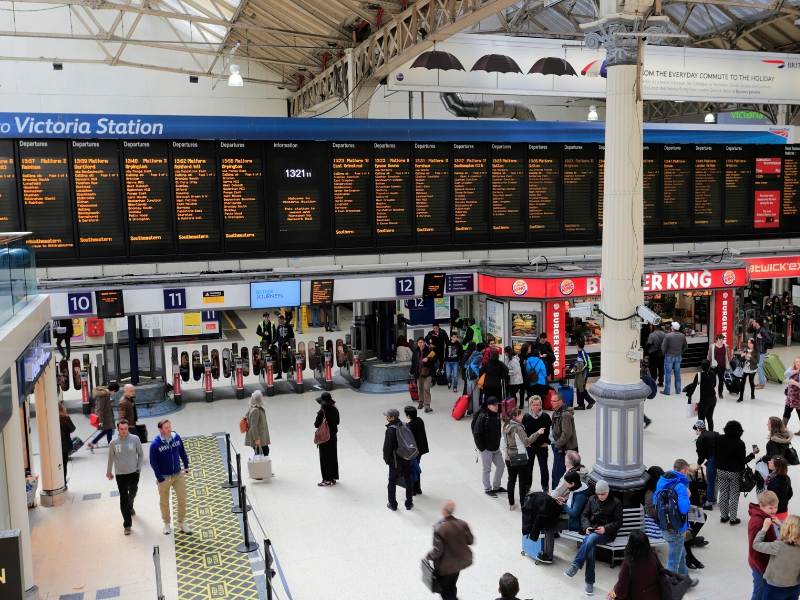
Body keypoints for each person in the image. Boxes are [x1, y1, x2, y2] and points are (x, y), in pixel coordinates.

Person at [563, 480, 623, 596]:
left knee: (590, 539)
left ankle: (576, 566)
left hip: (607, 534)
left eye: (603, 494)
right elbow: (584, 515)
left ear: (608, 492)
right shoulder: (592, 499)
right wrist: (586, 527)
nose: (600, 496)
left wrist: (605, 528)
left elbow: (618, 522)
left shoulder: (616, 503)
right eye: (598, 494)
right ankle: (589, 582)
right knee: (590, 543)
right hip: (592, 530)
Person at [149, 419, 191, 535]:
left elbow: (182, 451)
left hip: (178, 474)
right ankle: (166, 523)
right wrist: (159, 477)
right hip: (164, 477)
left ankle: (181, 522)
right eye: (166, 428)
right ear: (160, 429)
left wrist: (186, 465)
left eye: (169, 427)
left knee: (182, 499)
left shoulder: (176, 437)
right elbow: (153, 462)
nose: (169, 429)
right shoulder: (155, 444)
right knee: (164, 502)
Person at [426, 500, 474, 600]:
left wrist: (428, 556)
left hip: (445, 566)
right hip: (460, 563)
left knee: (444, 590)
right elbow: (470, 541)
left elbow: (437, 551)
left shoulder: (439, 528)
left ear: (444, 511)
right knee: (452, 584)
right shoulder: (463, 524)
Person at [654, 459, 693, 579]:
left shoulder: (662, 481)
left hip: (664, 525)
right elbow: (684, 509)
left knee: (681, 554)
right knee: (673, 561)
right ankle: (669, 586)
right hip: (677, 528)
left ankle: (685, 578)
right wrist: (688, 496)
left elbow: (655, 500)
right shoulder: (681, 486)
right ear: (685, 470)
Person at [716, 419, 758, 525]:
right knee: (734, 494)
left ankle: (724, 516)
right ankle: (733, 519)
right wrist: (753, 454)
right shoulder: (740, 443)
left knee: (723, 493)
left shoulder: (719, 439)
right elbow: (742, 461)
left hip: (720, 470)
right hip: (734, 472)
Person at [106, 419, 144, 535]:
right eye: (121, 429)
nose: (124, 431)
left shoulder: (135, 439)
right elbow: (111, 458)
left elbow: (141, 454)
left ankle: (131, 505)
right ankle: (127, 524)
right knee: (123, 498)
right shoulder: (113, 443)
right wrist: (109, 472)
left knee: (132, 493)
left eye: (126, 429)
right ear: (118, 429)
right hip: (120, 475)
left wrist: (138, 468)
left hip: (134, 473)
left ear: (128, 428)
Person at [752, 514, 800, 599]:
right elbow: (793, 535)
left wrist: (764, 529)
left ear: (786, 529)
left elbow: (756, 545)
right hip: (795, 587)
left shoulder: (778, 546)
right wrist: (780, 524)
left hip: (775, 587)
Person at [607, 530, 661, 600]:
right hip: (654, 595)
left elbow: (621, 592)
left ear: (630, 545)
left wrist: (613, 592)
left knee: (612, 595)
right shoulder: (653, 556)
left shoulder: (629, 563)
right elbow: (661, 573)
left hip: (637, 597)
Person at [502, 408, 537, 510]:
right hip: (520, 457)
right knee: (522, 481)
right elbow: (527, 441)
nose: (522, 417)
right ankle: (523, 504)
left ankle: (511, 504)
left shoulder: (506, 426)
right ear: (515, 417)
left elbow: (503, 443)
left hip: (509, 457)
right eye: (520, 415)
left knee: (511, 480)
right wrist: (537, 433)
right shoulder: (518, 428)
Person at [748, 491, 780, 600]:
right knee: (759, 591)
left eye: (776, 507)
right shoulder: (757, 521)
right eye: (771, 508)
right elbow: (754, 547)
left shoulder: (766, 517)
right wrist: (762, 569)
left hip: (766, 563)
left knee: (765, 590)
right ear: (761, 506)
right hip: (759, 565)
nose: (774, 510)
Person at [472, 397, 505, 497]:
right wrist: (482, 448)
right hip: (486, 449)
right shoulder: (483, 417)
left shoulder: (497, 415)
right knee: (487, 469)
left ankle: (496, 487)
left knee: (501, 466)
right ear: (488, 406)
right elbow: (477, 434)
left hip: (495, 447)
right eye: (494, 405)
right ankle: (487, 489)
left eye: (497, 404)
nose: (496, 406)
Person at [383, 409, 414, 511]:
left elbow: (387, 448)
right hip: (407, 458)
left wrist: (387, 460)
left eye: (387, 416)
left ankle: (393, 504)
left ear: (392, 417)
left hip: (396, 461)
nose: (386, 417)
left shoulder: (391, 430)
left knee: (392, 482)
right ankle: (409, 503)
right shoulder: (405, 425)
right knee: (408, 479)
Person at [522, 395, 551, 493]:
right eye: (533, 405)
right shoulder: (526, 417)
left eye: (538, 405)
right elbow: (523, 432)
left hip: (542, 447)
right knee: (528, 468)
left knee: (543, 468)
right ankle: (527, 486)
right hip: (530, 447)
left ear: (541, 405)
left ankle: (545, 487)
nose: (536, 407)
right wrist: (526, 443)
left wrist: (547, 442)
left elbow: (550, 431)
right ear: (530, 406)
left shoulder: (545, 416)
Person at [551, 393, 578, 491]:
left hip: (565, 450)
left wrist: (556, 445)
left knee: (558, 475)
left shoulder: (565, 415)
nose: (551, 403)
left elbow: (566, 434)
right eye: (551, 401)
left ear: (561, 402)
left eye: (554, 401)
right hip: (560, 448)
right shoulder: (556, 413)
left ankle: (555, 497)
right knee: (557, 474)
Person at [314, 392, 339, 486]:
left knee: (324, 459)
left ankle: (326, 479)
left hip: (324, 438)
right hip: (333, 437)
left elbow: (316, 424)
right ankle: (333, 478)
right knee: (333, 457)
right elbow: (338, 422)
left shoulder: (322, 412)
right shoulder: (335, 410)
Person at [694, 420, 719, 510]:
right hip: (721, 459)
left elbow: (701, 454)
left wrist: (699, 463)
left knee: (710, 482)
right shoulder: (715, 433)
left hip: (712, 459)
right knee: (716, 481)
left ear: (698, 429)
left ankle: (709, 502)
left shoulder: (700, 439)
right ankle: (714, 499)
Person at [405, 405, 428, 495]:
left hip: (414, 451)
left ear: (408, 416)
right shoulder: (420, 420)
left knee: (412, 469)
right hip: (421, 449)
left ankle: (413, 489)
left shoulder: (410, 425)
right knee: (416, 467)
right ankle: (417, 488)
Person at [410, 337, 436, 413]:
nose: (420, 344)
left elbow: (434, 358)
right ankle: (421, 402)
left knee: (426, 389)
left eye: (422, 342)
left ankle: (427, 406)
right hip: (418, 373)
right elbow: (413, 363)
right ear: (417, 344)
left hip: (428, 373)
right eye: (419, 342)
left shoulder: (429, 350)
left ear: (424, 343)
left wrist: (428, 359)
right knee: (420, 389)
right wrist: (411, 372)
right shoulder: (415, 351)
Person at [661, 321, 687, 396]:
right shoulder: (682, 336)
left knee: (668, 374)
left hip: (669, 356)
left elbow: (663, 348)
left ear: (672, 328)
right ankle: (678, 390)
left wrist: (665, 353)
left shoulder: (668, 336)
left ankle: (667, 390)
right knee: (677, 373)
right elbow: (685, 347)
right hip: (678, 356)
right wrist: (680, 352)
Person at [87, 386, 114, 451]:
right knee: (108, 430)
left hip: (106, 416)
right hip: (105, 417)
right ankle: (94, 442)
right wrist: (101, 421)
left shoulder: (104, 395)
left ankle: (94, 442)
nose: (114, 393)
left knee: (107, 430)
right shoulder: (103, 396)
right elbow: (100, 409)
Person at [244, 390, 270, 457]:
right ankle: (260, 467)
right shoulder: (255, 410)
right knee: (263, 452)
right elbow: (253, 426)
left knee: (261, 453)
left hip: (260, 436)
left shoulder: (253, 408)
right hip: (258, 437)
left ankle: (260, 467)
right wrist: (256, 439)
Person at [766, 456, 793, 520]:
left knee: (777, 529)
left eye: (771, 462)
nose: (768, 462)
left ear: (776, 466)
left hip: (775, 513)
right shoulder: (786, 477)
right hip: (783, 510)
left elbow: (772, 498)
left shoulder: (775, 480)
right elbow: (790, 494)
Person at [749, 319, 774, 389]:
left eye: (753, 322)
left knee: (759, 366)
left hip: (762, 351)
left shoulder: (762, 330)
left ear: (757, 322)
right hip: (758, 351)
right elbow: (749, 331)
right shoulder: (756, 330)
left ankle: (762, 384)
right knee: (760, 366)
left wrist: (762, 338)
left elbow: (769, 340)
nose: (752, 323)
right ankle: (761, 382)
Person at [573, 338, 595, 410]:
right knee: (580, 389)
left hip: (583, 373)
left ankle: (590, 401)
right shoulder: (579, 352)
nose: (575, 346)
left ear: (578, 345)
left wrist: (580, 370)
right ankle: (581, 404)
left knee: (581, 388)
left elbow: (586, 363)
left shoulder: (582, 352)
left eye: (576, 344)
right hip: (581, 373)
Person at [709, 333, 732, 399]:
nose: (721, 341)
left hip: (722, 366)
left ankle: (720, 393)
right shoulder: (712, 346)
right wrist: (708, 365)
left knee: (721, 380)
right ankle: (712, 393)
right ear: (717, 339)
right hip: (714, 366)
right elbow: (709, 356)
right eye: (720, 339)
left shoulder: (725, 347)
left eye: (722, 339)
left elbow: (728, 356)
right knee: (713, 381)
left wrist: (728, 363)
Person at [697, 359, 717, 431]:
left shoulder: (699, 375)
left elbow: (694, 386)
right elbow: (714, 384)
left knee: (701, 419)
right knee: (709, 418)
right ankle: (711, 434)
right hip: (713, 399)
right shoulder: (713, 373)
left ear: (701, 367)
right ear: (709, 366)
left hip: (703, 400)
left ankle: (703, 436)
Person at [58, 401, 75, 482]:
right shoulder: (65, 418)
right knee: (64, 464)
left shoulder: (50, 418)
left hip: (54, 446)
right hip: (65, 446)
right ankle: (63, 482)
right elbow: (72, 429)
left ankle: (58, 481)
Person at [739, 338, 760, 402]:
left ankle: (752, 394)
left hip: (752, 369)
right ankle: (741, 397)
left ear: (753, 344)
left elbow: (757, 362)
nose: (748, 344)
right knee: (742, 383)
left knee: (751, 381)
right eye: (748, 342)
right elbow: (741, 359)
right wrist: (742, 356)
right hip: (745, 368)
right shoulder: (745, 349)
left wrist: (750, 357)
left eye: (750, 343)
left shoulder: (756, 351)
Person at [783, 357, 800, 434]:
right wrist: (795, 371)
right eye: (796, 362)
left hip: (798, 398)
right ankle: (783, 430)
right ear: (794, 363)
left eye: (799, 362)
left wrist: (794, 383)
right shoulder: (792, 369)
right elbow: (785, 374)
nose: (798, 363)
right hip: (790, 397)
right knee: (786, 412)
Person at [274, 314, 294, 379]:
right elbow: (276, 337)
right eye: (278, 320)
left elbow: (292, 335)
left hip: (287, 346)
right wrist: (272, 343)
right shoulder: (278, 327)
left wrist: (288, 342)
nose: (279, 321)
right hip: (280, 346)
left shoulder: (288, 326)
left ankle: (290, 372)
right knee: (279, 360)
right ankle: (279, 374)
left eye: (279, 320)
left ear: (283, 319)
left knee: (288, 359)